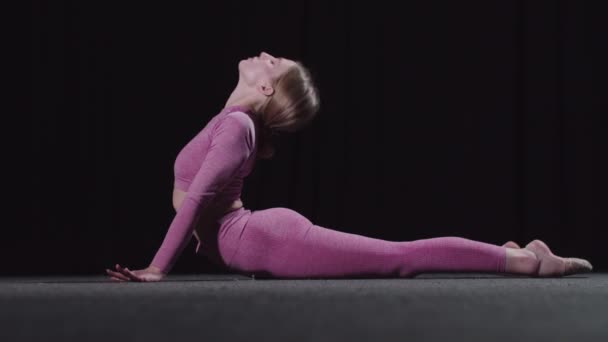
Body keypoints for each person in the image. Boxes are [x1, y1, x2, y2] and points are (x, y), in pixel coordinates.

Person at [106, 52, 593, 282]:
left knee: (399, 258)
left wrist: (156, 268)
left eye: (273, 64)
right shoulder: (233, 123)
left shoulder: (236, 128)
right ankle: (501, 253)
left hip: (268, 240)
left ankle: (527, 261)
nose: (265, 56)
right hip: (258, 241)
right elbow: (204, 201)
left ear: (266, 89)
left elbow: (195, 201)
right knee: (397, 257)